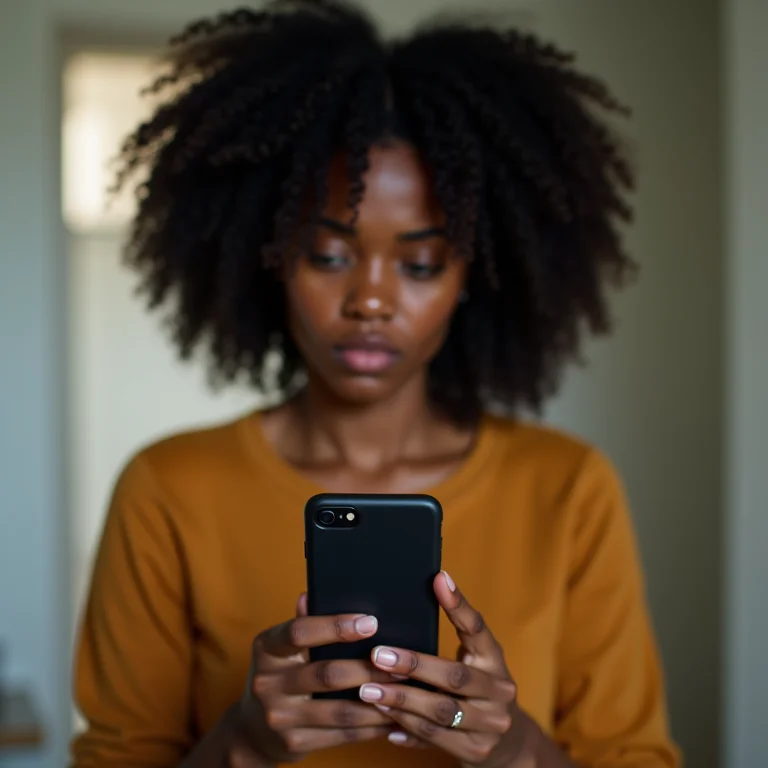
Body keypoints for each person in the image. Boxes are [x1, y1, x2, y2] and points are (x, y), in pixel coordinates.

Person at [69, 2, 681, 766]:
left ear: (473, 278)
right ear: (269, 258)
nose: (371, 299)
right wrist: (246, 741)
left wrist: (511, 742)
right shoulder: (167, 489)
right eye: (328, 255)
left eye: (420, 264)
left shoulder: (568, 490)